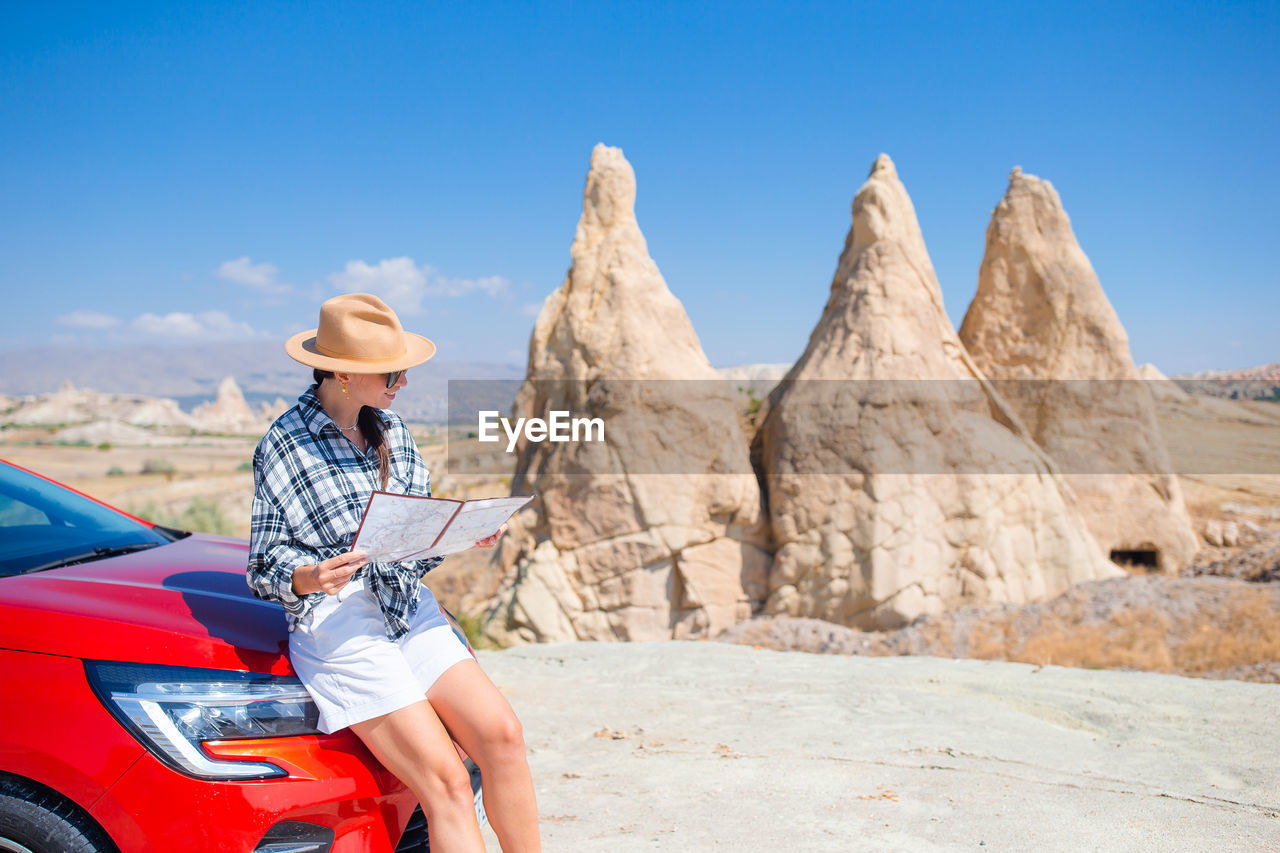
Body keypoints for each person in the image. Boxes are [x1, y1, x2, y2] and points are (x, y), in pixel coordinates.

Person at [247, 292, 540, 853]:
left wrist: (459, 532)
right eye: (391, 371)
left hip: (406, 605)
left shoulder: (395, 433)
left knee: (503, 736)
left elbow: (412, 536)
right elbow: (264, 566)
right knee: (448, 782)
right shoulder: (283, 445)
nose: (401, 382)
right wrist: (312, 576)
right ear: (340, 372)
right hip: (340, 625)